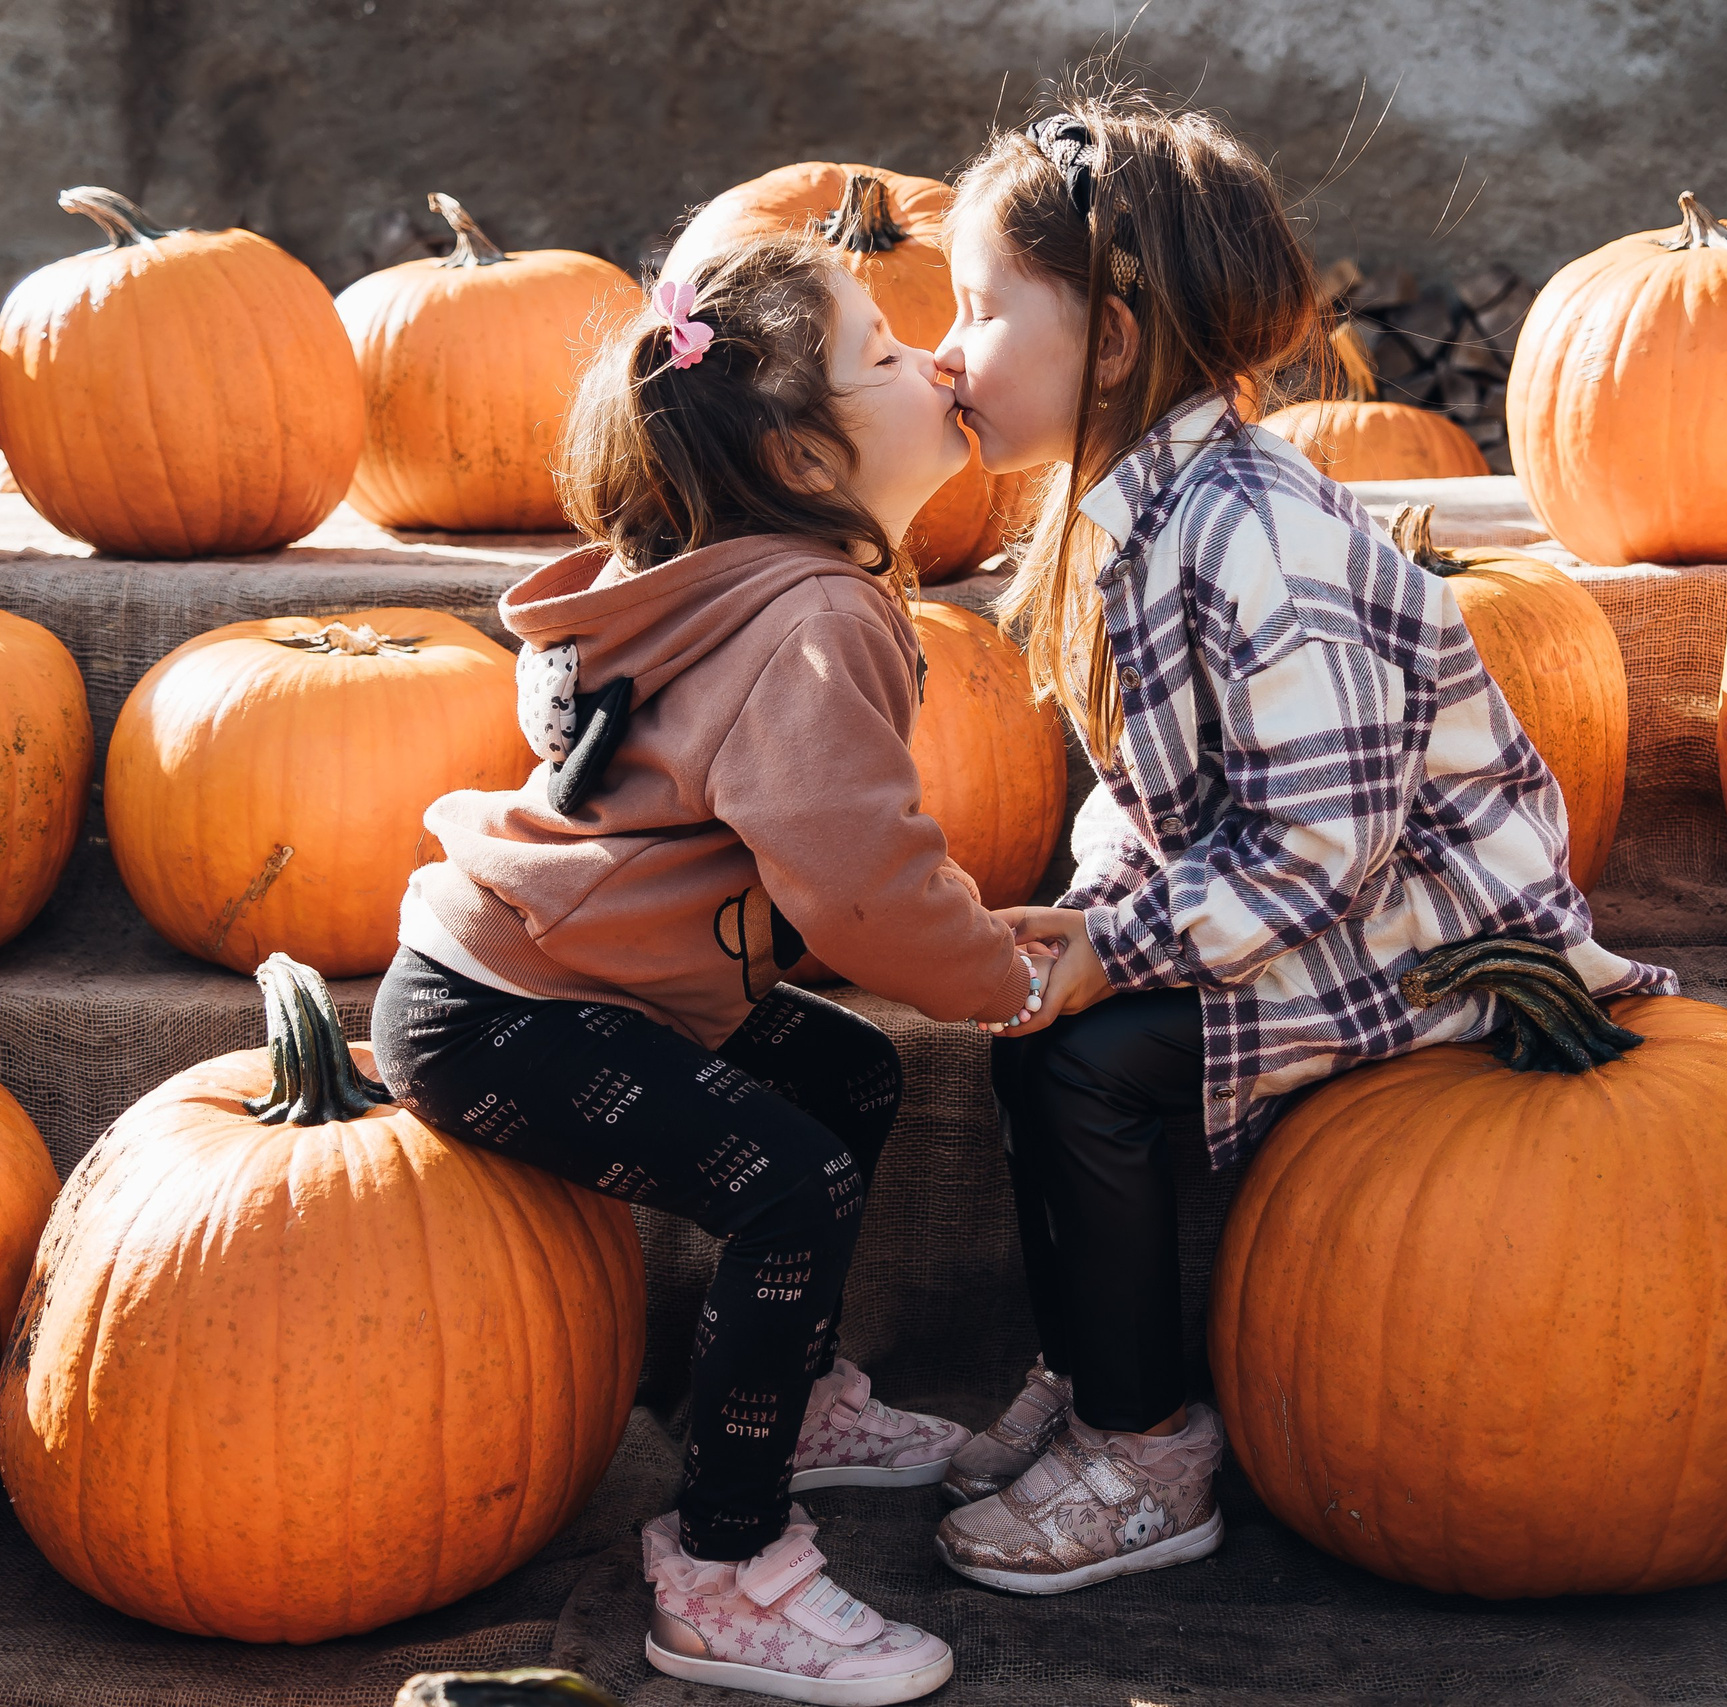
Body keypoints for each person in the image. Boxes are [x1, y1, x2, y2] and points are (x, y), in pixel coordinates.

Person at [927, 95, 1679, 1595]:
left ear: (1117, 343)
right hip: (1307, 898)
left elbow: (1322, 844)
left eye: (980, 310)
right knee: (1031, 1038)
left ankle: (1150, 1451)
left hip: (1431, 932)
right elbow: (1172, 792)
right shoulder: (1125, 512)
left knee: (1093, 1065)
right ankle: (1088, 1371)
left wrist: (1124, 950)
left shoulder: (1256, 536)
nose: (947, 349)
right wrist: (1089, 917)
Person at [370, 235, 1042, 1705]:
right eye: (886, 351)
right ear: (804, 455)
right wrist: (1006, 980)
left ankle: (778, 1400)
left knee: (845, 1070)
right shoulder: (811, 614)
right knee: (787, 1181)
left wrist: (981, 935)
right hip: (510, 1018)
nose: (935, 359)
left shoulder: (726, 580)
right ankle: (725, 1566)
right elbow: (858, 882)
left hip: (539, 982)